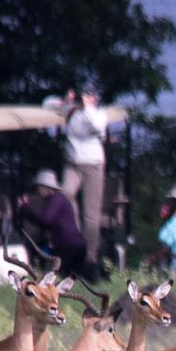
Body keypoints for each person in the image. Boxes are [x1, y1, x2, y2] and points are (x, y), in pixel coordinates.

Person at [41, 84, 111, 273]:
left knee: (91, 216)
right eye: (84, 95)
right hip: (72, 164)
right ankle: (75, 239)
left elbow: (97, 126)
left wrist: (87, 106)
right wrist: (65, 101)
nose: (85, 98)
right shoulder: (70, 109)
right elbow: (46, 104)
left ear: (95, 99)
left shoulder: (98, 114)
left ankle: (90, 258)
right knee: (65, 196)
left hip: (94, 165)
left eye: (90, 96)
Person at [11, 171, 89, 269]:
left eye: (38, 187)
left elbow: (45, 221)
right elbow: (45, 222)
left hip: (69, 248)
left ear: (46, 187)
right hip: (71, 247)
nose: (37, 191)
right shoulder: (56, 199)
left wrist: (25, 208)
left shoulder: (57, 198)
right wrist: (24, 210)